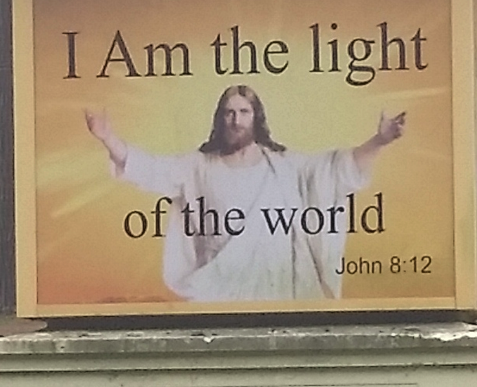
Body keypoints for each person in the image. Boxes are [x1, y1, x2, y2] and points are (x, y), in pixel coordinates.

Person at [85, 84, 407, 301]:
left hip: (276, 291)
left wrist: (378, 141)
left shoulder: (284, 166)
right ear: (220, 118)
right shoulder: (199, 166)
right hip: (219, 292)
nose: (235, 120)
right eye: (229, 112)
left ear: (256, 118)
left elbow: (336, 169)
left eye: (243, 112)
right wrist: (108, 138)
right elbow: (151, 168)